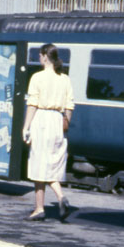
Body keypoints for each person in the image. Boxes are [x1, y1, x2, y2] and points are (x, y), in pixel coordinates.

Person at [21, 43, 75, 222]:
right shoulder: (65, 79)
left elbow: (32, 104)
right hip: (58, 121)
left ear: (45, 56)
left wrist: (26, 127)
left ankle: (39, 208)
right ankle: (60, 196)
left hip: (42, 120)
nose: (39, 58)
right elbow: (69, 106)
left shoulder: (37, 77)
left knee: (38, 164)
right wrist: (65, 124)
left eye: (39, 55)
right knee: (51, 164)